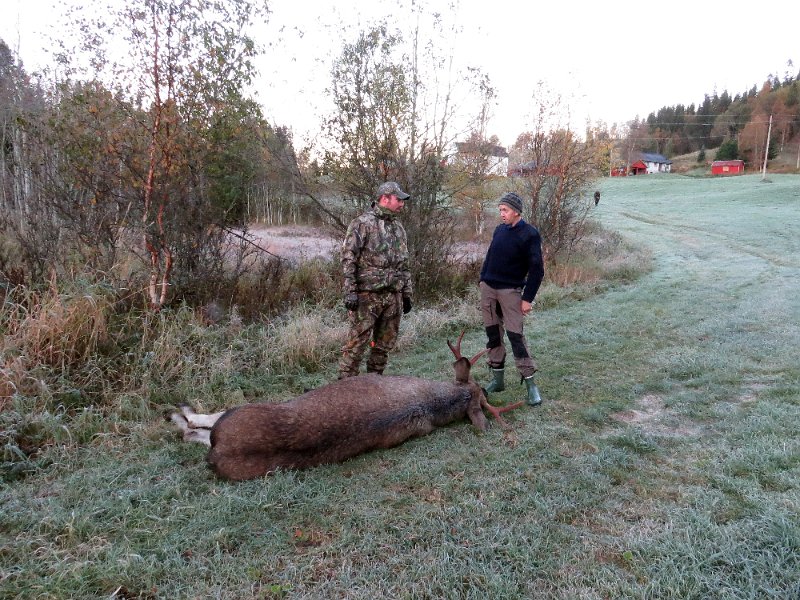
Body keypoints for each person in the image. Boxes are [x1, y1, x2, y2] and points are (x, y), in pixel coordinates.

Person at [338, 181, 413, 378]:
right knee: (356, 346)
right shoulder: (362, 223)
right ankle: (344, 391)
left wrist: (406, 294)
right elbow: (348, 259)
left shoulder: (398, 227)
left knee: (383, 347)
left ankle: (374, 388)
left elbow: (404, 262)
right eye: (399, 199)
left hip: (392, 298)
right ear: (385, 198)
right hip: (366, 297)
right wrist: (350, 291)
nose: (402, 204)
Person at [479, 191, 545, 406]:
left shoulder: (530, 234)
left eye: (505, 210)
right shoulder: (499, 230)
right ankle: (498, 381)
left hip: (511, 292)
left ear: (516, 211)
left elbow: (537, 270)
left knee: (516, 336)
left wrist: (527, 299)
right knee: (493, 335)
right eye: (500, 210)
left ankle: (530, 384)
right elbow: (489, 257)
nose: (502, 214)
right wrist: (483, 279)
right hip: (489, 289)